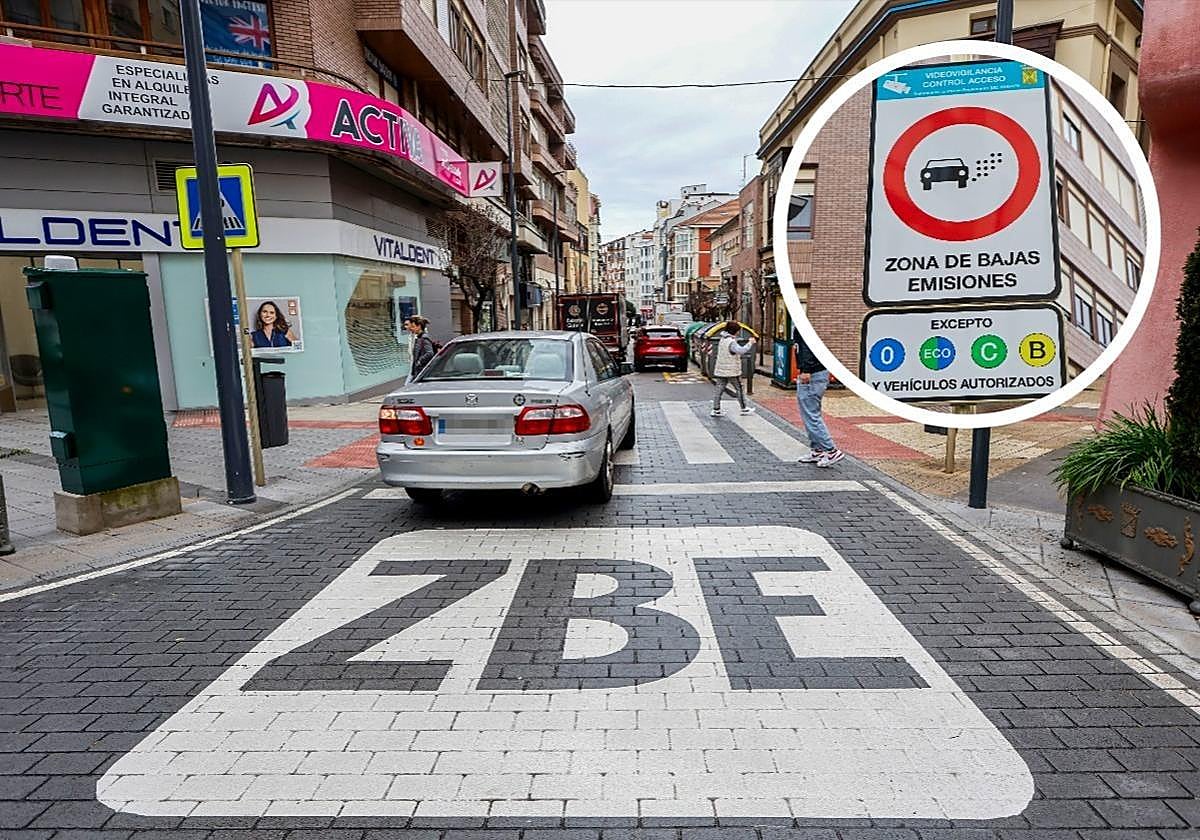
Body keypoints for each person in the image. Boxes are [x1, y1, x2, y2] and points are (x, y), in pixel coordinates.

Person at [793, 326, 844, 467]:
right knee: (810, 413)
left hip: (813, 374)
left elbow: (807, 348)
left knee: (811, 415)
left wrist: (806, 369)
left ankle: (831, 450)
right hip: (817, 372)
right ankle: (817, 450)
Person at [711, 321, 755, 417]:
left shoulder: (722, 339)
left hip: (721, 369)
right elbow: (741, 350)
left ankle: (716, 409)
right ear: (734, 331)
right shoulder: (731, 342)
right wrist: (750, 343)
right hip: (732, 371)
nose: (738, 332)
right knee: (739, 388)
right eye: (738, 331)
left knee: (719, 389)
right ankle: (744, 408)